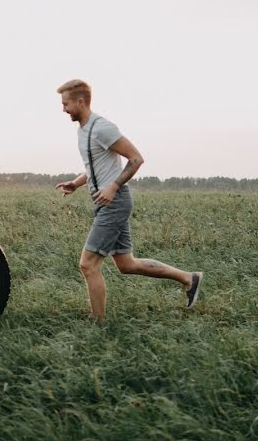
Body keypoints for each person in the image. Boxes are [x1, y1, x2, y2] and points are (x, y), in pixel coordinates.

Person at [54, 79, 203, 320]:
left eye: (66, 104)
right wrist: (76, 183)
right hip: (105, 202)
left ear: (80, 101)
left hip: (115, 201)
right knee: (127, 264)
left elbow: (136, 159)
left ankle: (98, 325)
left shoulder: (102, 127)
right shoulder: (83, 130)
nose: (63, 109)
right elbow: (95, 167)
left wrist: (113, 187)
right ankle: (189, 278)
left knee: (88, 265)